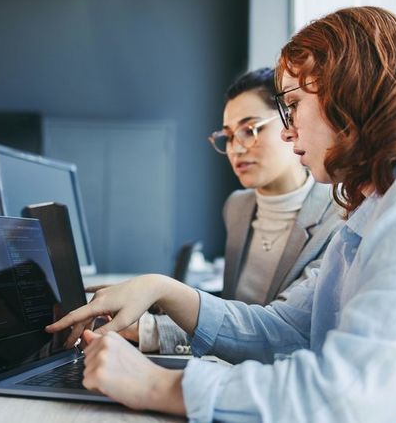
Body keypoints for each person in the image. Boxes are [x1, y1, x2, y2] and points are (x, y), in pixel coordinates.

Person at [47, 6, 396, 421]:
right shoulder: (383, 201)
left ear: (350, 95)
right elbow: (286, 330)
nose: (288, 133)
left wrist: (161, 386)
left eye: (290, 106)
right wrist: (165, 289)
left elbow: (353, 395)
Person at [122, 68, 342, 355]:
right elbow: (229, 318)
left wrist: (148, 327)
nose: (237, 148)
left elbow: (274, 329)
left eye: (250, 129)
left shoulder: (339, 217)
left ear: (290, 120)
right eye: (228, 136)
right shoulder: (238, 207)